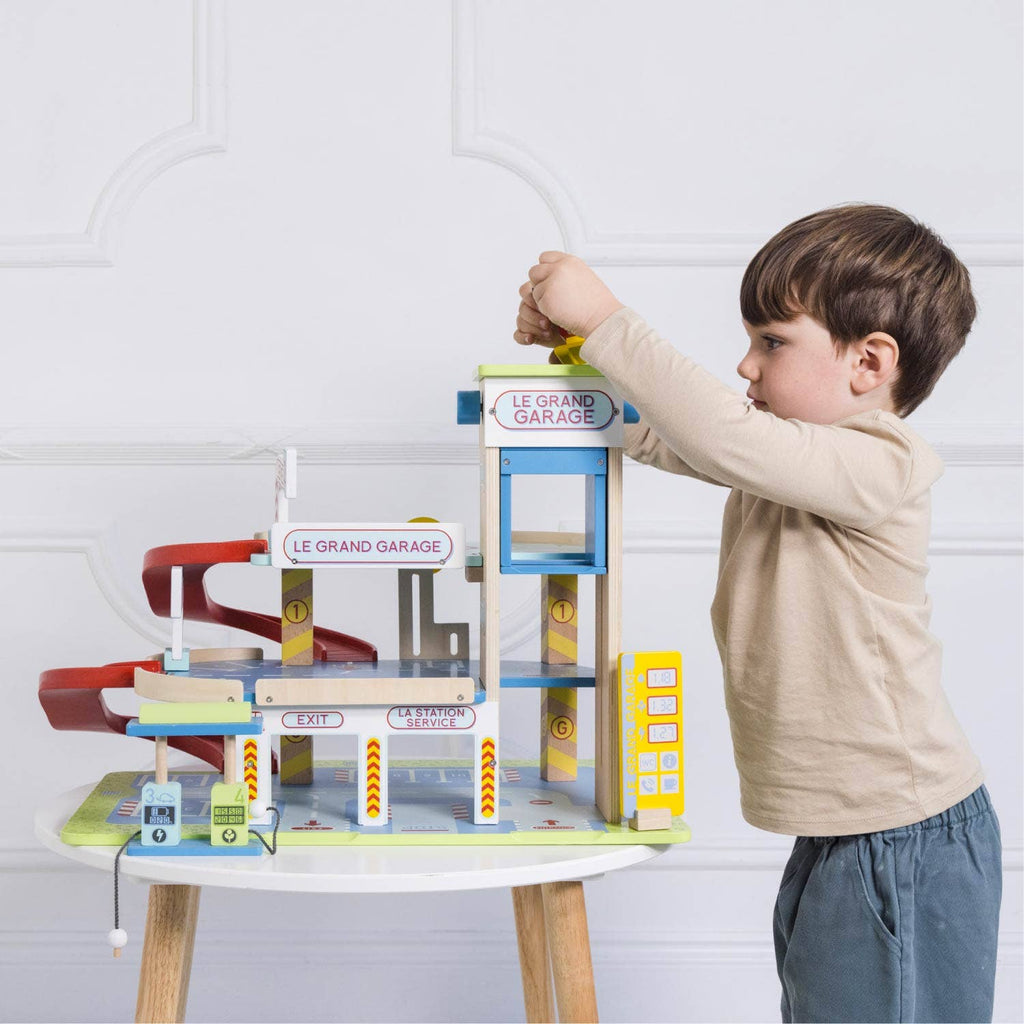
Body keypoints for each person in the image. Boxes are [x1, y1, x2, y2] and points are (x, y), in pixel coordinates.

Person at [513, 204, 1002, 1024]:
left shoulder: (882, 463)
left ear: (869, 362)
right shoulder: (785, 460)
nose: (745, 366)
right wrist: (575, 350)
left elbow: (720, 433)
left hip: (900, 834)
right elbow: (668, 433)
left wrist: (606, 319)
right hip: (846, 832)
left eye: (772, 342)